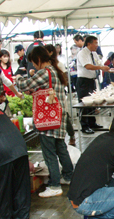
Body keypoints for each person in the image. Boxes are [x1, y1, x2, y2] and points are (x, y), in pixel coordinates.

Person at [15, 46, 73, 198]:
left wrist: (19, 77)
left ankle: (54, 185)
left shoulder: (44, 72)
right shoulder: (55, 71)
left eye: (34, 62)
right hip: (58, 118)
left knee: (49, 154)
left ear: (39, 59)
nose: (33, 65)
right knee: (61, 149)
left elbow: (24, 85)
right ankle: (69, 176)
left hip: (47, 121)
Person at [76, 35, 110, 134]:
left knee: (93, 103)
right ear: (89, 43)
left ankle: (92, 123)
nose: (96, 45)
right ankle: (84, 125)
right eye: (95, 43)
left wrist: (105, 68)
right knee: (85, 103)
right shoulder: (82, 53)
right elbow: (88, 66)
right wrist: (101, 67)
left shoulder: (94, 53)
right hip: (83, 81)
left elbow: (99, 63)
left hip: (92, 80)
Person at [45, 44, 76, 147]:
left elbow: (65, 80)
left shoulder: (59, 65)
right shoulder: (44, 67)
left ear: (50, 52)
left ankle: (71, 135)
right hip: (48, 97)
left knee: (64, 116)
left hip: (58, 95)